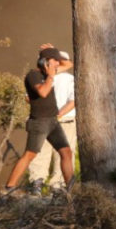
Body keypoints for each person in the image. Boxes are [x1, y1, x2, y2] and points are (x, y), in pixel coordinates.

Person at [3, 47, 74, 194]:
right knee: (30, 154)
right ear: (44, 62)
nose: (57, 64)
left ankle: (71, 189)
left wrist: (53, 50)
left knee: (66, 152)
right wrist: (50, 76)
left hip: (53, 121)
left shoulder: (49, 72)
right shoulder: (33, 75)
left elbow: (68, 65)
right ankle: (9, 187)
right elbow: (42, 92)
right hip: (39, 122)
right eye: (54, 61)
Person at [27, 45, 76, 192]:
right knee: (64, 154)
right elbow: (74, 101)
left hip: (44, 119)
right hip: (65, 120)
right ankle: (58, 185)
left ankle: (37, 182)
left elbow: (28, 98)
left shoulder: (39, 77)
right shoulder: (69, 79)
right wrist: (59, 114)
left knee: (39, 152)